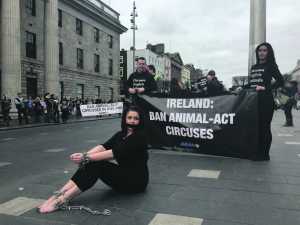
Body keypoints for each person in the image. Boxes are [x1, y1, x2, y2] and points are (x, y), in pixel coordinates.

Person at [37, 106, 149, 214]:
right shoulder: (121, 135)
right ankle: (58, 195)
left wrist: (85, 158)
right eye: (129, 118)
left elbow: (113, 153)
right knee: (91, 162)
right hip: (123, 174)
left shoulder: (140, 137)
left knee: (96, 164)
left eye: (136, 118)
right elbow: (103, 147)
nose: (132, 121)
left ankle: (62, 200)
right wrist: (85, 155)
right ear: (125, 119)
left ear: (140, 121)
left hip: (136, 182)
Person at [247, 42, 284, 161]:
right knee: (256, 127)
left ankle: (264, 154)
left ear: (268, 52)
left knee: (264, 127)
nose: (262, 53)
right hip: (254, 101)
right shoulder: (254, 67)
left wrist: (266, 88)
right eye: (260, 50)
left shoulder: (271, 65)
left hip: (266, 101)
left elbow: (281, 81)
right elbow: (252, 83)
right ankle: (257, 151)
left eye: (264, 50)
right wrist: (242, 88)